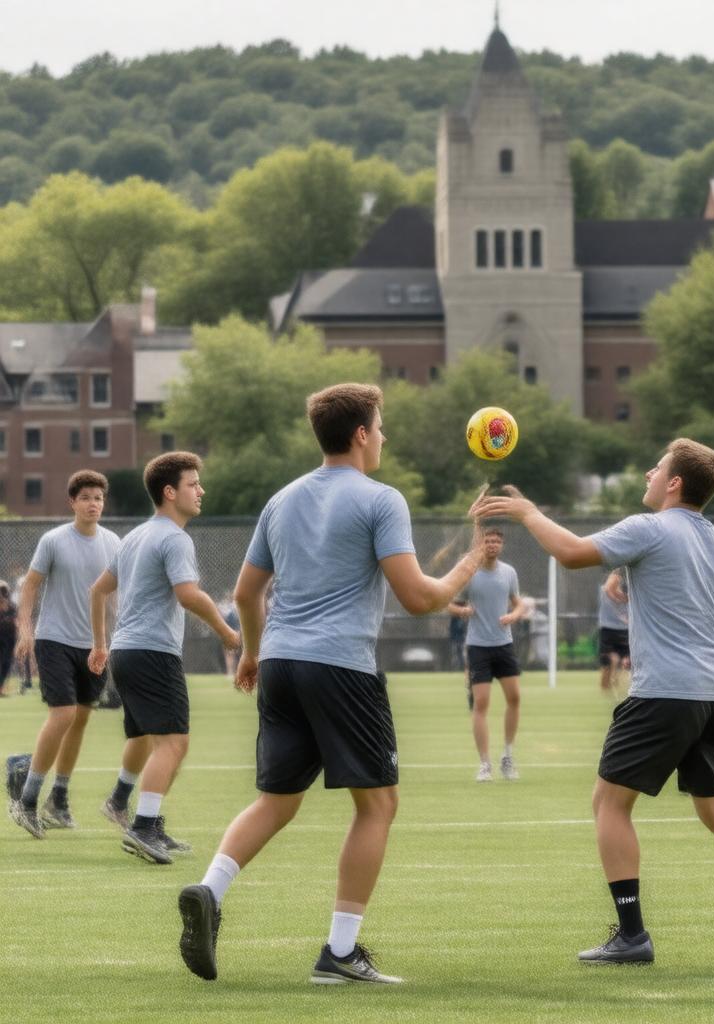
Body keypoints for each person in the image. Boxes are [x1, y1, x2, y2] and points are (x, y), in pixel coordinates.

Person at [177, 383, 484, 986]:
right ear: (362, 434)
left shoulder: (282, 499)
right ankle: (340, 953)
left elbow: (245, 593)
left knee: (278, 799)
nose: (385, 435)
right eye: (382, 425)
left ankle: (210, 889)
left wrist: (254, 654)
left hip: (283, 665)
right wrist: (470, 562)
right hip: (341, 665)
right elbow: (419, 597)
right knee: (378, 803)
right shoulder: (381, 499)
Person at [474, 439, 714, 965]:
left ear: (674, 483)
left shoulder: (648, 527)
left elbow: (570, 553)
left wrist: (527, 512)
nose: (650, 472)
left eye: (658, 467)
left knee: (609, 803)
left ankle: (631, 935)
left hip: (664, 692)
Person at [88, 452, 240, 865]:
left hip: (127, 651)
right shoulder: (174, 538)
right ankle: (141, 827)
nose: (201, 490)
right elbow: (188, 594)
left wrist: (102, 644)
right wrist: (228, 632)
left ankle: (145, 820)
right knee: (174, 743)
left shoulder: (136, 536)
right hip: (153, 652)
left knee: (154, 741)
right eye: (193, 484)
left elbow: (99, 590)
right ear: (170, 492)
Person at [8, 471, 121, 838]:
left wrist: (109, 641)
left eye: (98, 498)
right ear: (72, 502)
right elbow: (30, 586)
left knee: (80, 720)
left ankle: (58, 798)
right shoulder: (53, 540)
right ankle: (26, 800)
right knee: (64, 714)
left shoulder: (114, 543)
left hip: (95, 646)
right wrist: (25, 630)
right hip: (54, 640)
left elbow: (116, 596)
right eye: (86, 497)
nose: (93, 504)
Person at [447, 527, 526, 782]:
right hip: (478, 646)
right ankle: (484, 764)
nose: (492, 545)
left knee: (514, 698)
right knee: (481, 704)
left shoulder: (509, 573)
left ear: (501, 545)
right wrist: (461, 612)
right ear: (480, 545)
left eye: (496, 541)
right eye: (487, 541)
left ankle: (507, 756)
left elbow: (519, 603)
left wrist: (513, 615)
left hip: (504, 646)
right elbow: (445, 600)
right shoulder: (469, 573)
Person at [597, 570, 630, 699]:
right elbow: (609, 591)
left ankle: (613, 682)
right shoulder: (605, 591)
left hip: (624, 629)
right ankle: (605, 687)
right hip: (608, 628)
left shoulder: (629, 592)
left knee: (623, 660)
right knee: (609, 660)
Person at [0, 582, 17, 698]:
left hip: (9, 639)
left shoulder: (12, 607)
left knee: (6, 663)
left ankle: (0, 689)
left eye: (4, 592)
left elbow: (17, 622)